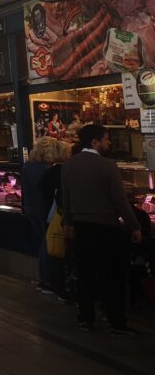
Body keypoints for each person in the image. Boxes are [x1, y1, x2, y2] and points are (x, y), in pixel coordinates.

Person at [61, 123, 142, 335]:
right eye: (106, 139)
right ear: (95, 142)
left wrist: (68, 222)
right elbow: (120, 201)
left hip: (81, 226)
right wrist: (134, 225)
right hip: (106, 226)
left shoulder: (68, 165)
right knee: (112, 275)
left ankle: (85, 318)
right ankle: (116, 321)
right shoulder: (107, 166)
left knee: (86, 273)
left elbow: (66, 197)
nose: (109, 143)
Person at [21, 136, 70, 295]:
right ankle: (48, 281)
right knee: (48, 245)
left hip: (30, 208)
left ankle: (43, 279)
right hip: (43, 210)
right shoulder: (46, 170)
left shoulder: (28, 166)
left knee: (42, 243)